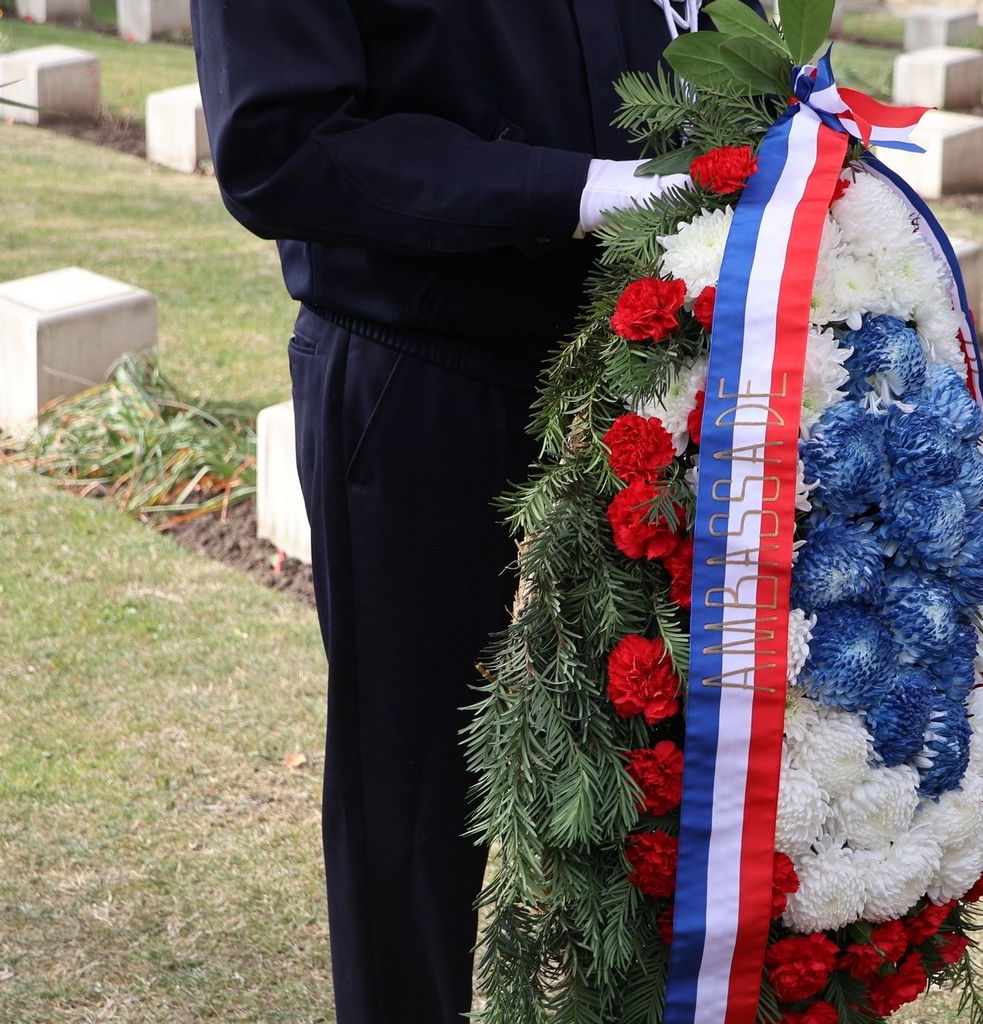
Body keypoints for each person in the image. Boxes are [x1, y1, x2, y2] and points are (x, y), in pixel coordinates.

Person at [188, 2, 756, 1020]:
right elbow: (281, 145)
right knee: (412, 803)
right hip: (425, 363)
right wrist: (579, 189)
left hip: (659, 350)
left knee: (671, 777)